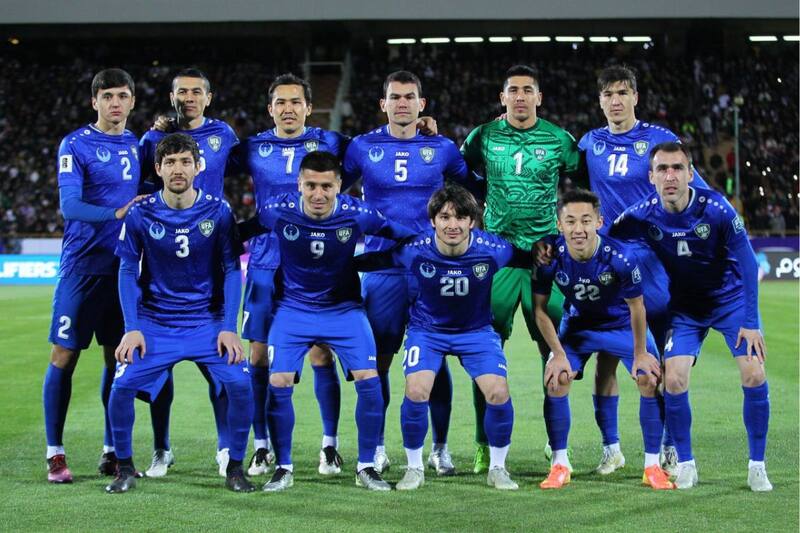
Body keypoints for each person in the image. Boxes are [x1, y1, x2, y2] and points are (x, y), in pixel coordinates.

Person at [610, 142, 771, 491]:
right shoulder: (642, 213)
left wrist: (752, 321)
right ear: (651, 177)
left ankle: (757, 466)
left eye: (678, 168)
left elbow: (748, 263)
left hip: (730, 302)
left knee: (754, 374)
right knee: (675, 380)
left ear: (689, 173)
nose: (670, 176)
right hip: (685, 309)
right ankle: (686, 464)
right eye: (663, 169)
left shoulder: (716, 208)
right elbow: (604, 240)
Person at [254, 151, 416, 491]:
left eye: (326, 186)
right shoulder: (276, 211)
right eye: (310, 185)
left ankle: (367, 467)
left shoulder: (357, 214)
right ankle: (283, 468)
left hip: (344, 310)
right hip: (293, 309)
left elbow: (404, 237)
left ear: (339, 186)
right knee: (278, 381)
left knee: (370, 382)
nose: (318, 194)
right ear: (299, 183)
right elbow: (233, 234)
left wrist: (367, 262)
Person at [578, 66, 710, 474]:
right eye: (607, 94)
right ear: (599, 100)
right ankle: (611, 447)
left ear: (636, 96)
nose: (615, 100)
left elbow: (698, 191)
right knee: (605, 359)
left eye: (622, 92)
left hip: (657, 265)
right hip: (607, 266)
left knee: (666, 361)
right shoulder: (588, 144)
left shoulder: (660, 141)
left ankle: (669, 446)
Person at [106, 132, 254, 494]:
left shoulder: (218, 210)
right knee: (121, 386)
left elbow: (232, 271)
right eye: (169, 162)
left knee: (240, 383)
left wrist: (228, 327)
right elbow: (126, 269)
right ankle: (124, 468)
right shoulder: (140, 212)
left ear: (197, 166)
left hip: (207, 321)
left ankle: (236, 467)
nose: (177, 168)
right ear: (157, 168)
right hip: (156, 323)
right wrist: (132, 327)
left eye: (185, 161)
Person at [355, 184, 524, 490]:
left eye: (461, 217)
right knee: (417, 390)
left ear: (472, 221)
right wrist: (336, 262)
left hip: (476, 332)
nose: (452, 224)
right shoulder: (414, 249)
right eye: (445, 217)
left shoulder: (493, 249)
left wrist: (551, 247)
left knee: (498, 392)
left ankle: (498, 468)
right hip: (427, 331)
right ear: (432, 220)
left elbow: (530, 257)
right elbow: (376, 261)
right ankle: (414, 468)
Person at [343, 70, 469, 475]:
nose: (402, 103)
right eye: (394, 97)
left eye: (409, 97)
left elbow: (470, 192)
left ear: (421, 104)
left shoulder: (443, 148)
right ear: (383, 104)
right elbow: (329, 189)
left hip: (432, 271)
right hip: (382, 270)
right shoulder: (362, 147)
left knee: (436, 359)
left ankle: (441, 447)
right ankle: (376, 446)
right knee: (378, 360)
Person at [460, 64, 580, 472]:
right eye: (513, 90)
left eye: (528, 89)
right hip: (497, 258)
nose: (521, 96)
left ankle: (555, 442)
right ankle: (483, 443)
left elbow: (581, 178)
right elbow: (464, 174)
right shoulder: (484, 136)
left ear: (539, 97)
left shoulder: (559, 140)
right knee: (483, 352)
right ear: (503, 97)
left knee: (556, 351)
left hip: (545, 256)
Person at [231, 73, 348, 477]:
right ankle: (261, 446)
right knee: (258, 355)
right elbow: (202, 160)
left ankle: (329, 446)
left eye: (295, 102)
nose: (288, 109)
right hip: (265, 262)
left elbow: (371, 158)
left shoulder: (330, 143)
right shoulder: (251, 147)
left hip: (314, 264)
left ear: (308, 107)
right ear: (270, 109)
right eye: (280, 102)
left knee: (320, 351)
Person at [137, 69, 241, 478]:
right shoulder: (151, 139)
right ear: (173, 96)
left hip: (210, 258)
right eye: (182, 91)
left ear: (208, 97)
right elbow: (139, 187)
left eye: (197, 91)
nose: (190, 97)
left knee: (216, 363)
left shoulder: (225, 135)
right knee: (159, 367)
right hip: (163, 261)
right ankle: (161, 449)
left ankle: (224, 446)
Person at [532, 189, 673, 490]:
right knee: (556, 378)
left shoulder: (620, 257)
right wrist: (557, 353)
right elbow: (540, 311)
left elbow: (637, 307)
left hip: (621, 324)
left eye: (585, 220)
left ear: (599, 221)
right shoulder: (548, 256)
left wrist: (640, 353)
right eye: (570, 221)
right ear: (559, 225)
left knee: (649, 377)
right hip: (579, 325)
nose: (578, 229)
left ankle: (652, 466)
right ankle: (559, 464)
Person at [43, 68, 142, 483]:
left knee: (115, 359)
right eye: (107, 96)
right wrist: (116, 213)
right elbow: (70, 207)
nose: (115, 103)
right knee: (64, 355)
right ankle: (55, 453)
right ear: (95, 102)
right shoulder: (76, 144)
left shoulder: (138, 146)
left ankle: (111, 449)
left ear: (132, 101)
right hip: (81, 268)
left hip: (122, 270)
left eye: (122, 96)